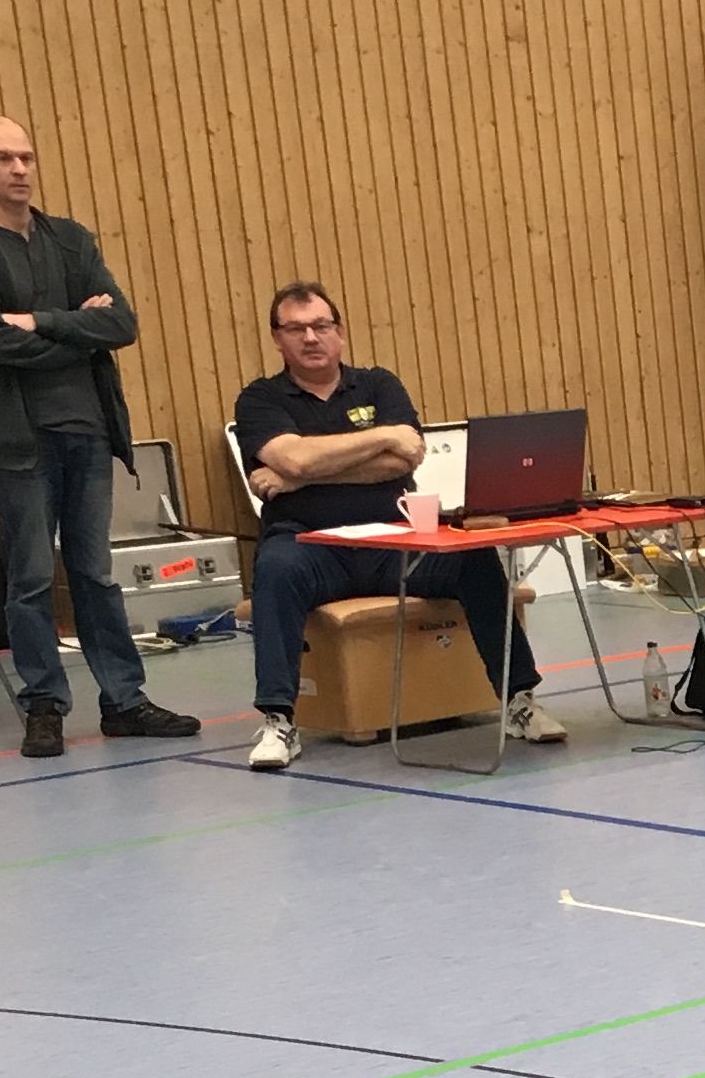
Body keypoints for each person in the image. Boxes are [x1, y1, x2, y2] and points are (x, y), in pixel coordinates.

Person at [0, 115, 197, 762]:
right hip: (18, 442)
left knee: (95, 575)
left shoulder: (71, 241)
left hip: (88, 432)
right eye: (3, 158)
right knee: (28, 577)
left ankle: (124, 700)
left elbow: (122, 325)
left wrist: (39, 321)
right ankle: (44, 705)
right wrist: (77, 331)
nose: (19, 169)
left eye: (26, 157)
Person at [233, 284, 566, 769]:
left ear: (340, 332)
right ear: (277, 338)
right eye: (296, 328)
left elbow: (403, 458)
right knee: (275, 570)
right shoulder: (260, 399)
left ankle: (518, 700)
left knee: (472, 557)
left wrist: (301, 474)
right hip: (309, 544)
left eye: (321, 326)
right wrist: (376, 438)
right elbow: (296, 458)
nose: (310, 337)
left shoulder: (378, 385)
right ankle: (279, 720)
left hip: (394, 539)